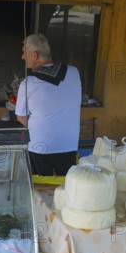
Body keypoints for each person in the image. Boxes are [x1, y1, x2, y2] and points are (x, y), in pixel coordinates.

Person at [15, 33, 82, 176]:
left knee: (39, 189)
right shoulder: (74, 72)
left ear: (34, 55)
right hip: (68, 145)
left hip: (39, 147)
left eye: (24, 53)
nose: (22, 57)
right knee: (67, 188)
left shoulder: (28, 83)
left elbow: (22, 120)